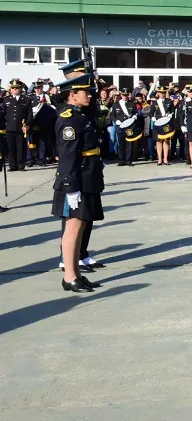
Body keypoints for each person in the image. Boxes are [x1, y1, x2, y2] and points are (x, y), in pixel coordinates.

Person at [52, 74, 105, 292]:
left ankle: (76, 273)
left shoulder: (80, 115)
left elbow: (96, 113)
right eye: (86, 92)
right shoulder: (69, 119)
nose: (90, 96)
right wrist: (70, 187)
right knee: (72, 228)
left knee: (81, 226)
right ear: (72, 95)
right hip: (76, 179)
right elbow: (68, 156)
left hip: (87, 176)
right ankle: (70, 276)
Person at [2, 78, 32, 171]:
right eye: (13, 88)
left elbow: (29, 114)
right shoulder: (6, 99)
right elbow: (3, 114)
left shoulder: (26, 99)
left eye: (17, 88)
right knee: (11, 148)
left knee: (21, 148)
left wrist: (27, 125)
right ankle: (12, 165)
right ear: (10, 89)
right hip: (9, 127)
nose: (15, 90)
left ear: (20, 89)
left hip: (21, 127)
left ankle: (21, 165)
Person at [110, 89, 142, 166]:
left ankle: (128, 160)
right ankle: (121, 160)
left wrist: (134, 116)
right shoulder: (115, 104)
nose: (125, 97)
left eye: (126, 95)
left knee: (129, 143)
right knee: (120, 144)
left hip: (129, 126)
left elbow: (135, 112)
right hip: (120, 127)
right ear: (121, 95)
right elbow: (112, 115)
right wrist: (116, 121)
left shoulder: (132, 103)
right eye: (124, 95)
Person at [151, 87, 176, 165]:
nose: (162, 94)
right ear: (158, 93)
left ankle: (165, 159)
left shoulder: (169, 101)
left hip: (166, 123)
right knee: (158, 141)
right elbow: (151, 112)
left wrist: (171, 115)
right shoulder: (155, 103)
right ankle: (159, 159)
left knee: (166, 141)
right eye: (161, 93)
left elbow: (172, 110)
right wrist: (153, 117)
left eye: (164, 93)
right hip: (158, 123)